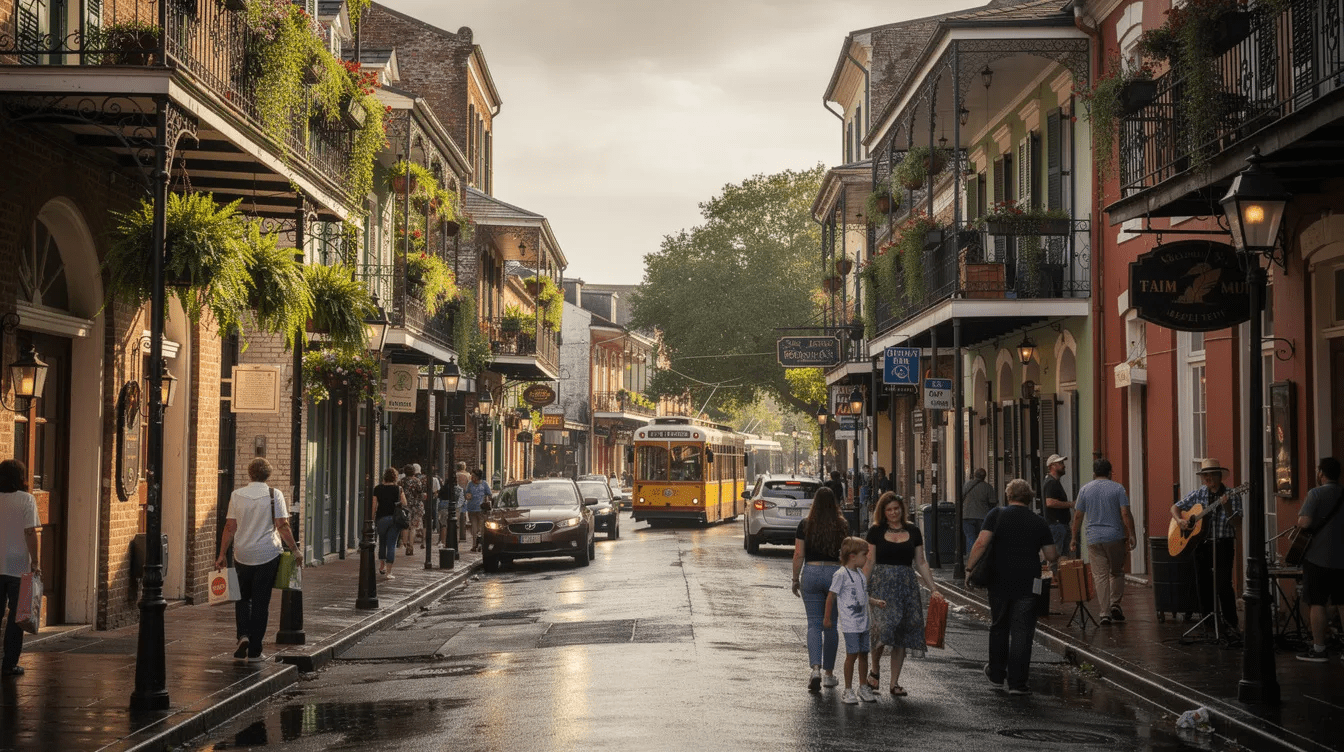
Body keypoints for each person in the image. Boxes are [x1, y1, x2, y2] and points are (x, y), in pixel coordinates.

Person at [967, 478, 1058, 695]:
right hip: (1028, 582)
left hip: (999, 579)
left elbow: (980, 543)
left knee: (999, 626)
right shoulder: (1039, 521)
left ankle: (997, 674)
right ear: (1029, 498)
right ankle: (1018, 683)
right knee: (1022, 632)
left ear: (1009, 496)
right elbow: (1051, 555)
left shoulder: (996, 515)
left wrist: (969, 569)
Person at [214, 458, 303, 664]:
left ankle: (243, 635)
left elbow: (229, 527)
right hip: (267, 555)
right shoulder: (274, 495)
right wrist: (295, 550)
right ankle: (255, 651)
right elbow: (282, 525)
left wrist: (221, 555)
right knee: (261, 602)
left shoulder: (237, 495)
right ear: (268, 475)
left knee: (243, 598)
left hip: (242, 554)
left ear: (250, 474)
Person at [863, 492, 942, 697]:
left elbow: (921, 562)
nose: (893, 513)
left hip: (906, 586)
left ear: (902, 509)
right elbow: (870, 560)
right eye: (889, 510)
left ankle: (894, 683)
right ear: (883, 512)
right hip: (881, 586)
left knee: (900, 634)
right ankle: (874, 670)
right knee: (881, 630)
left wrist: (933, 588)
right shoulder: (876, 531)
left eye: (896, 508)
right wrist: (860, 586)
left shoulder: (913, 531)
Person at [1172, 458, 1242, 632]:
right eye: (1205, 475)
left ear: (1220, 476)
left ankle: (1231, 624)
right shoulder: (1199, 494)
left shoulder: (1232, 494)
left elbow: (1237, 523)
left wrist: (1227, 508)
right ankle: (1209, 625)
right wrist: (1180, 520)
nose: (1208, 478)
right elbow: (1175, 507)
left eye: (1211, 474)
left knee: (1224, 585)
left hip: (1222, 544)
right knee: (1203, 585)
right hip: (1201, 545)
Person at [791, 486, 847, 692]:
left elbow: (798, 555)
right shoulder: (842, 525)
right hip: (835, 574)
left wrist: (795, 579)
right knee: (830, 625)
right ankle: (829, 674)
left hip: (812, 573)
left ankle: (815, 669)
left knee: (814, 624)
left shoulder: (805, 525)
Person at [1071, 459, 1136, 625]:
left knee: (1100, 576)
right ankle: (1115, 603)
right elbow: (1125, 514)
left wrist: (1073, 537)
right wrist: (1132, 534)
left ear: (1094, 473)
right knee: (1117, 572)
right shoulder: (1118, 488)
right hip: (1115, 537)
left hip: (1093, 538)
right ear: (1109, 473)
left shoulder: (1085, 489)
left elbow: (1078, 516)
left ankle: (1104, 612)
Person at [825, 537, 886, 704]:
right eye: (864, 554)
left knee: (863, 655)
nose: (866, 558)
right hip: (851, 624)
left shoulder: (860, 574)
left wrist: (874, 602)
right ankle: (848, 689)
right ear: (852, 556)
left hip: (863, 623)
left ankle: (862, 686)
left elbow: (863, 596)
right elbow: (831, 596)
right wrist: (827, 617)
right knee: (851, 655)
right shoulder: (841, 574)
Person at [1295, 457, 1344, 662]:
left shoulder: (1315, 494)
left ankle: (1319, 648)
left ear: (1321, 473)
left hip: (1318, 557)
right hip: (1342, 557)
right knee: (1343, 603)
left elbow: (1304, 523)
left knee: (1317, 603)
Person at [1, 459, 39, 678]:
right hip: (18, 565)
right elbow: (30, 533)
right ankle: (9, 664)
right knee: (18, 617)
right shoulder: (27, 500)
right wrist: (36, 562)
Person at [373, 467, 405, 578]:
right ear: (395, 477)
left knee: (382, 542)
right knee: (391, 544)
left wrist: (372, 519)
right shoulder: (398, 489)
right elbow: (404, 503)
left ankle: (381, 566)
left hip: (381, 518)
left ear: (384, 477)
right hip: (394, 518)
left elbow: (374, 506)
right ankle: (389, 572)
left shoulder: (377, 488)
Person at [1042, 454, 1073, 558]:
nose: (1063, 466)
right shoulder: (1051, 483)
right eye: (1060, 463)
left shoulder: (1054, 482)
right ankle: (1056, 573)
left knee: (1063, 557)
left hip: (1059, 526)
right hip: (1057, 526)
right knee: (1058, 557)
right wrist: (1071, 504)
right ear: (1052, 466)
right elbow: (1050, 502)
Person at [962, 468, 996, 554]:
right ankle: (981, 558)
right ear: (985, 476)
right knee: (982, 539)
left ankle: (972, 557)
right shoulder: (988, 487)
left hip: (967, 515)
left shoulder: (967, 485)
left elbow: (960, 497)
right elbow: (993, 502)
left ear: (974, 475)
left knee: (970, 538)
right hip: (982, 516)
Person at [464, 469, 493, 552]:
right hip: (472, 509)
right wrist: (467, 496)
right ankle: (474, 545)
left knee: (481, 529)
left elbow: (489, 494)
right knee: (474, 528)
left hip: (481, 509)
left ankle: (480, 544)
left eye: (473, 476)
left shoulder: (484, 484)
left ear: (478, 477)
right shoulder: (470, 484)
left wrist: (486, 501)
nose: (472, 477)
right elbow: (466, 494)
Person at [399, 464, 425, 556]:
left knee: (405, 526)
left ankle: (405, 544)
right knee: (413, 527)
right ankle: (411, 546)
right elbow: (421, 493)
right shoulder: (417, 481)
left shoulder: (401, 482)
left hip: (405, 506)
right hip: (416, 506)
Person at [455, 461, 471, 542]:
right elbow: (469, 485)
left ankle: (456, 534)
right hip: (464, 495)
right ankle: (462, 535)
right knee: (463, 514)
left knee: (456, 514)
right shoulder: (468, 475)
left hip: (456, 495)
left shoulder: (456, 475)